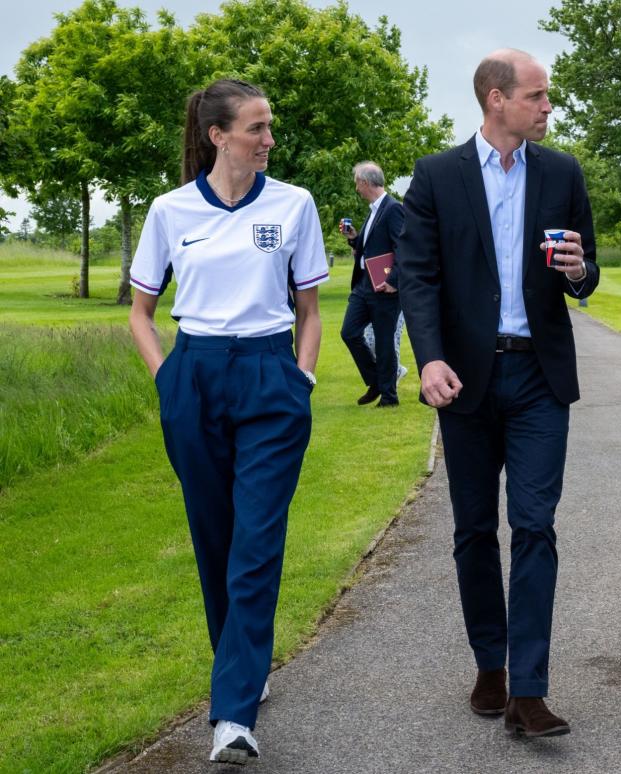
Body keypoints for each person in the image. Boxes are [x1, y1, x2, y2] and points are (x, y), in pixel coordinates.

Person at [395, 48, 598, 738]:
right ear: (495, 99)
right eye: (538, 96)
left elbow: (586, 270)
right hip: (467, 381)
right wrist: (428, 361)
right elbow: (418, 279)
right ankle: (490, 663)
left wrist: (578, 271)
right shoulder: (435, 178)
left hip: (540, 376)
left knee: (535, 526)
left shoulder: (563, 172)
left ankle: (530, 688)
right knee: (475, 529)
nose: (548, 108)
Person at [128, 78, 328, 764]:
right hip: (196, 375)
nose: (270, 139)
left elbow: (309, 309)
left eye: (269, 127)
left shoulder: (295, 204)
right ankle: (241, 667)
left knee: (256, 544)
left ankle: (234, 715)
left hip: (272, 380)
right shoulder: (170, 211)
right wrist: (168, 380)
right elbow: (141, 311)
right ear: (219, 136)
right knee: (214, 539)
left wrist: (301, 378)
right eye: (257, 128)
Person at [339, 161, 404, 407]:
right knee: (349, 332)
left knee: (385, 341)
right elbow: (371, 248)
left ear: (366, 182)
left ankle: (389, 396)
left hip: (384, 287)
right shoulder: (374, 210)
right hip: (365, 285)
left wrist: (393, 281)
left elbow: (403, 248)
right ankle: (376, 381)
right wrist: (355, 239)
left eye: (357, 182)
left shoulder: (393, 209)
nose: (356, 188)